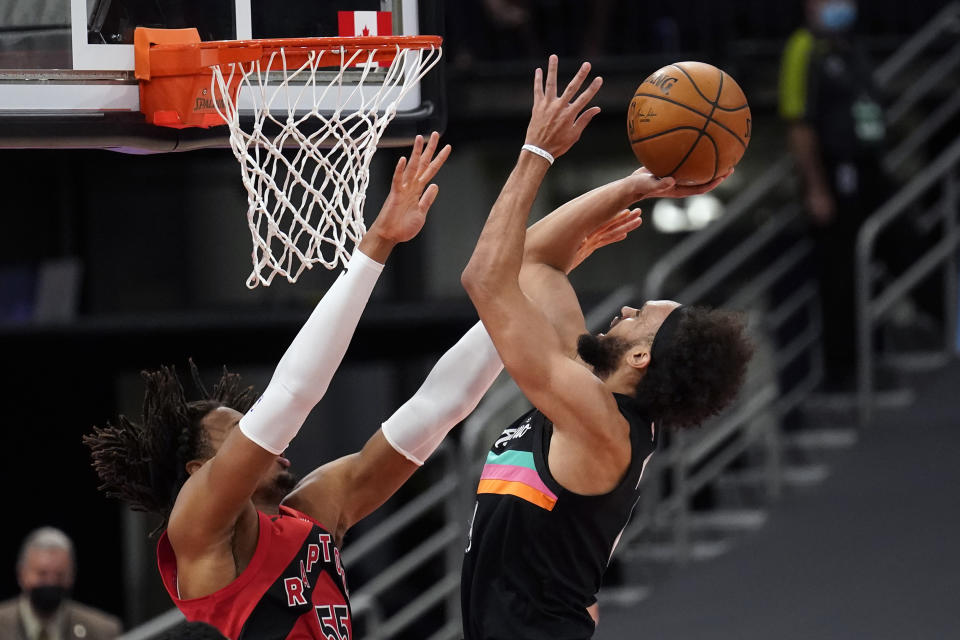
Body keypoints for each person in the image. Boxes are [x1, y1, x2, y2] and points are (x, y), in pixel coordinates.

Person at [82, 132, 634, 640]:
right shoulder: (198, 527)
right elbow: (292, 395)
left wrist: (521, 295)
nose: (263, 440)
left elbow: (436, 408)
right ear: (200, 472)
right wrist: (376, 243)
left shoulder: (316, 510)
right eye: (238, 432)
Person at [459, 56, 754, 639]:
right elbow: (533, 261)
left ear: (642, 358)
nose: (623, 311)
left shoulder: (597, 421)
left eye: (641, 316)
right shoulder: (587, 395)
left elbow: (483, 277)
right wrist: (635, 184)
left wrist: (537, 152)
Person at [779, 0, 887, 391]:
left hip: (868, 169)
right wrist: (816, 187)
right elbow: (798, 123)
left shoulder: (851, 45)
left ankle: (876, 355)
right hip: (832, 174)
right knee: (839, 275)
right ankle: (842, 370)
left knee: (882, 259)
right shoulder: (802, 48)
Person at [0, 527, 121, 640]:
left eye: (60, 575)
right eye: (42, 574)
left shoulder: (102, 632)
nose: (51, 581)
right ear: (22, 574)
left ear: (71, 576)